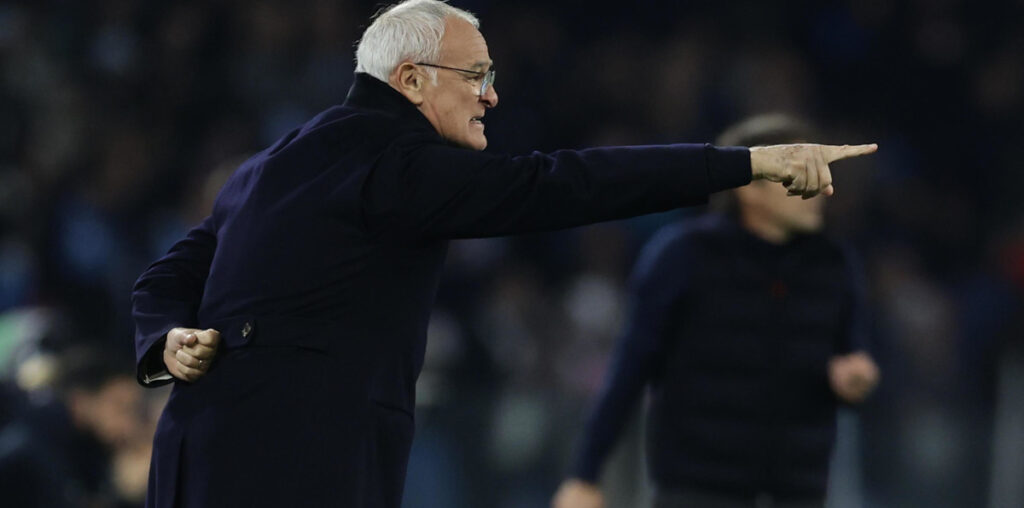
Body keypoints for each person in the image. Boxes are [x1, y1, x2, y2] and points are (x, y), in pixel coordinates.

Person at [130, 1, 876, 506]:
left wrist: (165, 342)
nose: (491, 97)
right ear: (412, 80)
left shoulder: (273, 162)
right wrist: (743, 162)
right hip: (295, 467)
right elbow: (566, 186)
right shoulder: (397, 163)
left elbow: (168, 274)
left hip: (196, 455)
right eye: (477, 76)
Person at [551, 114, 881, 508]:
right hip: (698, 490)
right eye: (801, 170)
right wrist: (584, 476)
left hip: (798, 489)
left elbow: (853, 352)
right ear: (751, 188)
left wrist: (857, 378)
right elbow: (630, 369)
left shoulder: (834, 263)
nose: (821, 186)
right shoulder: (683, 255)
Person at [0, 347, 144, 508]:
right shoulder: (29, 443)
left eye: (133, 411)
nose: (128, 423)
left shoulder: (90, 446)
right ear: (81, 400)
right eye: (120, 407)